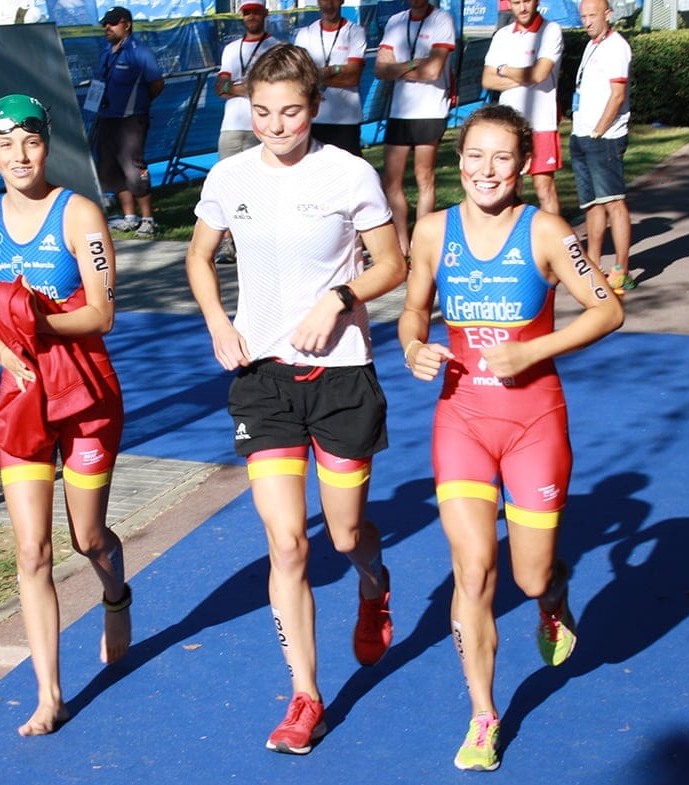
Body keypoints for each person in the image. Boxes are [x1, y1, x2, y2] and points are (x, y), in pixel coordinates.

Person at [185, 43, 408, 755]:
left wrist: (340, 297)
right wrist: (219, 320)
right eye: (262, 112)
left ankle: (374, 582)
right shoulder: (228, 174)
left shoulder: (348, 173)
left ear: (315, 107)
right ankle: (306, 694)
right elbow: (197, 254)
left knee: (342, 536)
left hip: (341, 376)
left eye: (290, 112)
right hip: (263, 378)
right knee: (286, 542)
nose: (276, 126)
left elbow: (392, 264)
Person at [397, 104, 623, 771]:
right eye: (474, 155)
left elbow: (609, 307)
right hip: (461, 416)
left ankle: (552, 597)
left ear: (523, 165)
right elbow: (413, 311)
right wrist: (413, 346)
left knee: (526, 574)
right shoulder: (434, 232)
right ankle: (483, 714)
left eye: (501, 157)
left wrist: (534, 351)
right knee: (472, 568)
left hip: (534, 421)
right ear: (457, 160)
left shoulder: (547, 230)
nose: (485, 170)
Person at [0, 94, 130, 737]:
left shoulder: (78, 213)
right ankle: (49, 695)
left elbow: (102, 313)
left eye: (29, 141)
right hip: (23, 398)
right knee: (31, 552)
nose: (18, 155)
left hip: (84, 395)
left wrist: (37, 324)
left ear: (47, 144)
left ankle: (115, 594)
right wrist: (9, 352)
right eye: (4, 145)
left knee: (87, 537)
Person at [374, 0, 456, 256]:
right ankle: (401, 244)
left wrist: (397, 69)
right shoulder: (396, 22)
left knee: (424, 177)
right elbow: (380, 69)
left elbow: (433, 71)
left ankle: (422, 241)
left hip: (430, 110)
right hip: (400, 111)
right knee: (391, 180)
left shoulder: (442, 20)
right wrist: (412, 64)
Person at [570, 0, 634, 294]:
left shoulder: (616, 47)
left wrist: (599, 130)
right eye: (583, 16)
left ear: (607, 14)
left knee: (613, 202)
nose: (587, 21)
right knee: (592, 204)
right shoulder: (592, 44)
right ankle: (593, 263)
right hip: (581, 134)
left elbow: (617, 95)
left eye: (592, 15)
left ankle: (621, 269)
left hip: (604, 138)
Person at [482, 0, 564, 214]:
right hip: (508, 126)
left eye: (526, 1)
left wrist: (504, 68)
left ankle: (554, 244)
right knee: (508, 187)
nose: (523, 7)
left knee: (544, 189)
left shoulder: (551, 30)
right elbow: (487, 80)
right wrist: (525, 77)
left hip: (541, 124)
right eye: (516, 2)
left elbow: (539, 74)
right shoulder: (502, 35)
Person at [213, 0, 279, 264]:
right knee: (228, 184)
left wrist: (239, 87)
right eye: (247, 13)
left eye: (256, 12)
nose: (251, 17)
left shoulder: (277, 47)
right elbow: (220, 87)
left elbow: (273, 86)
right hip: (231, 125)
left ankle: (259, 240)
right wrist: (251, 87)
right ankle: (229, 243)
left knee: (261, 183)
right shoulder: (231, 49)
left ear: (265, 14)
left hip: (259, 125)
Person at [94, 6, 165, 238]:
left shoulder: (139, 51)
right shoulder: (106, 51)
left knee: (133, 168)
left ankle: (148, 218)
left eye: (113, 23)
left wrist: (139, 105)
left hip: (131, 120)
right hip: (107, 118)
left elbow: (156, 83)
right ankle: (129, 217)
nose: (108, 27)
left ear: (127, 25)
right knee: (111, 169)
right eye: (106, 23)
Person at [292, 0, 368, 157]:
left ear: (341, 1)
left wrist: (320, 75)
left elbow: (353, 78)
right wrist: (338, 71)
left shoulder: (355, 32)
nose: (329, 4)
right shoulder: (305, 34)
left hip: (346, 121)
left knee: (349, 175)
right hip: (313, 120)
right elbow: (299, 78)